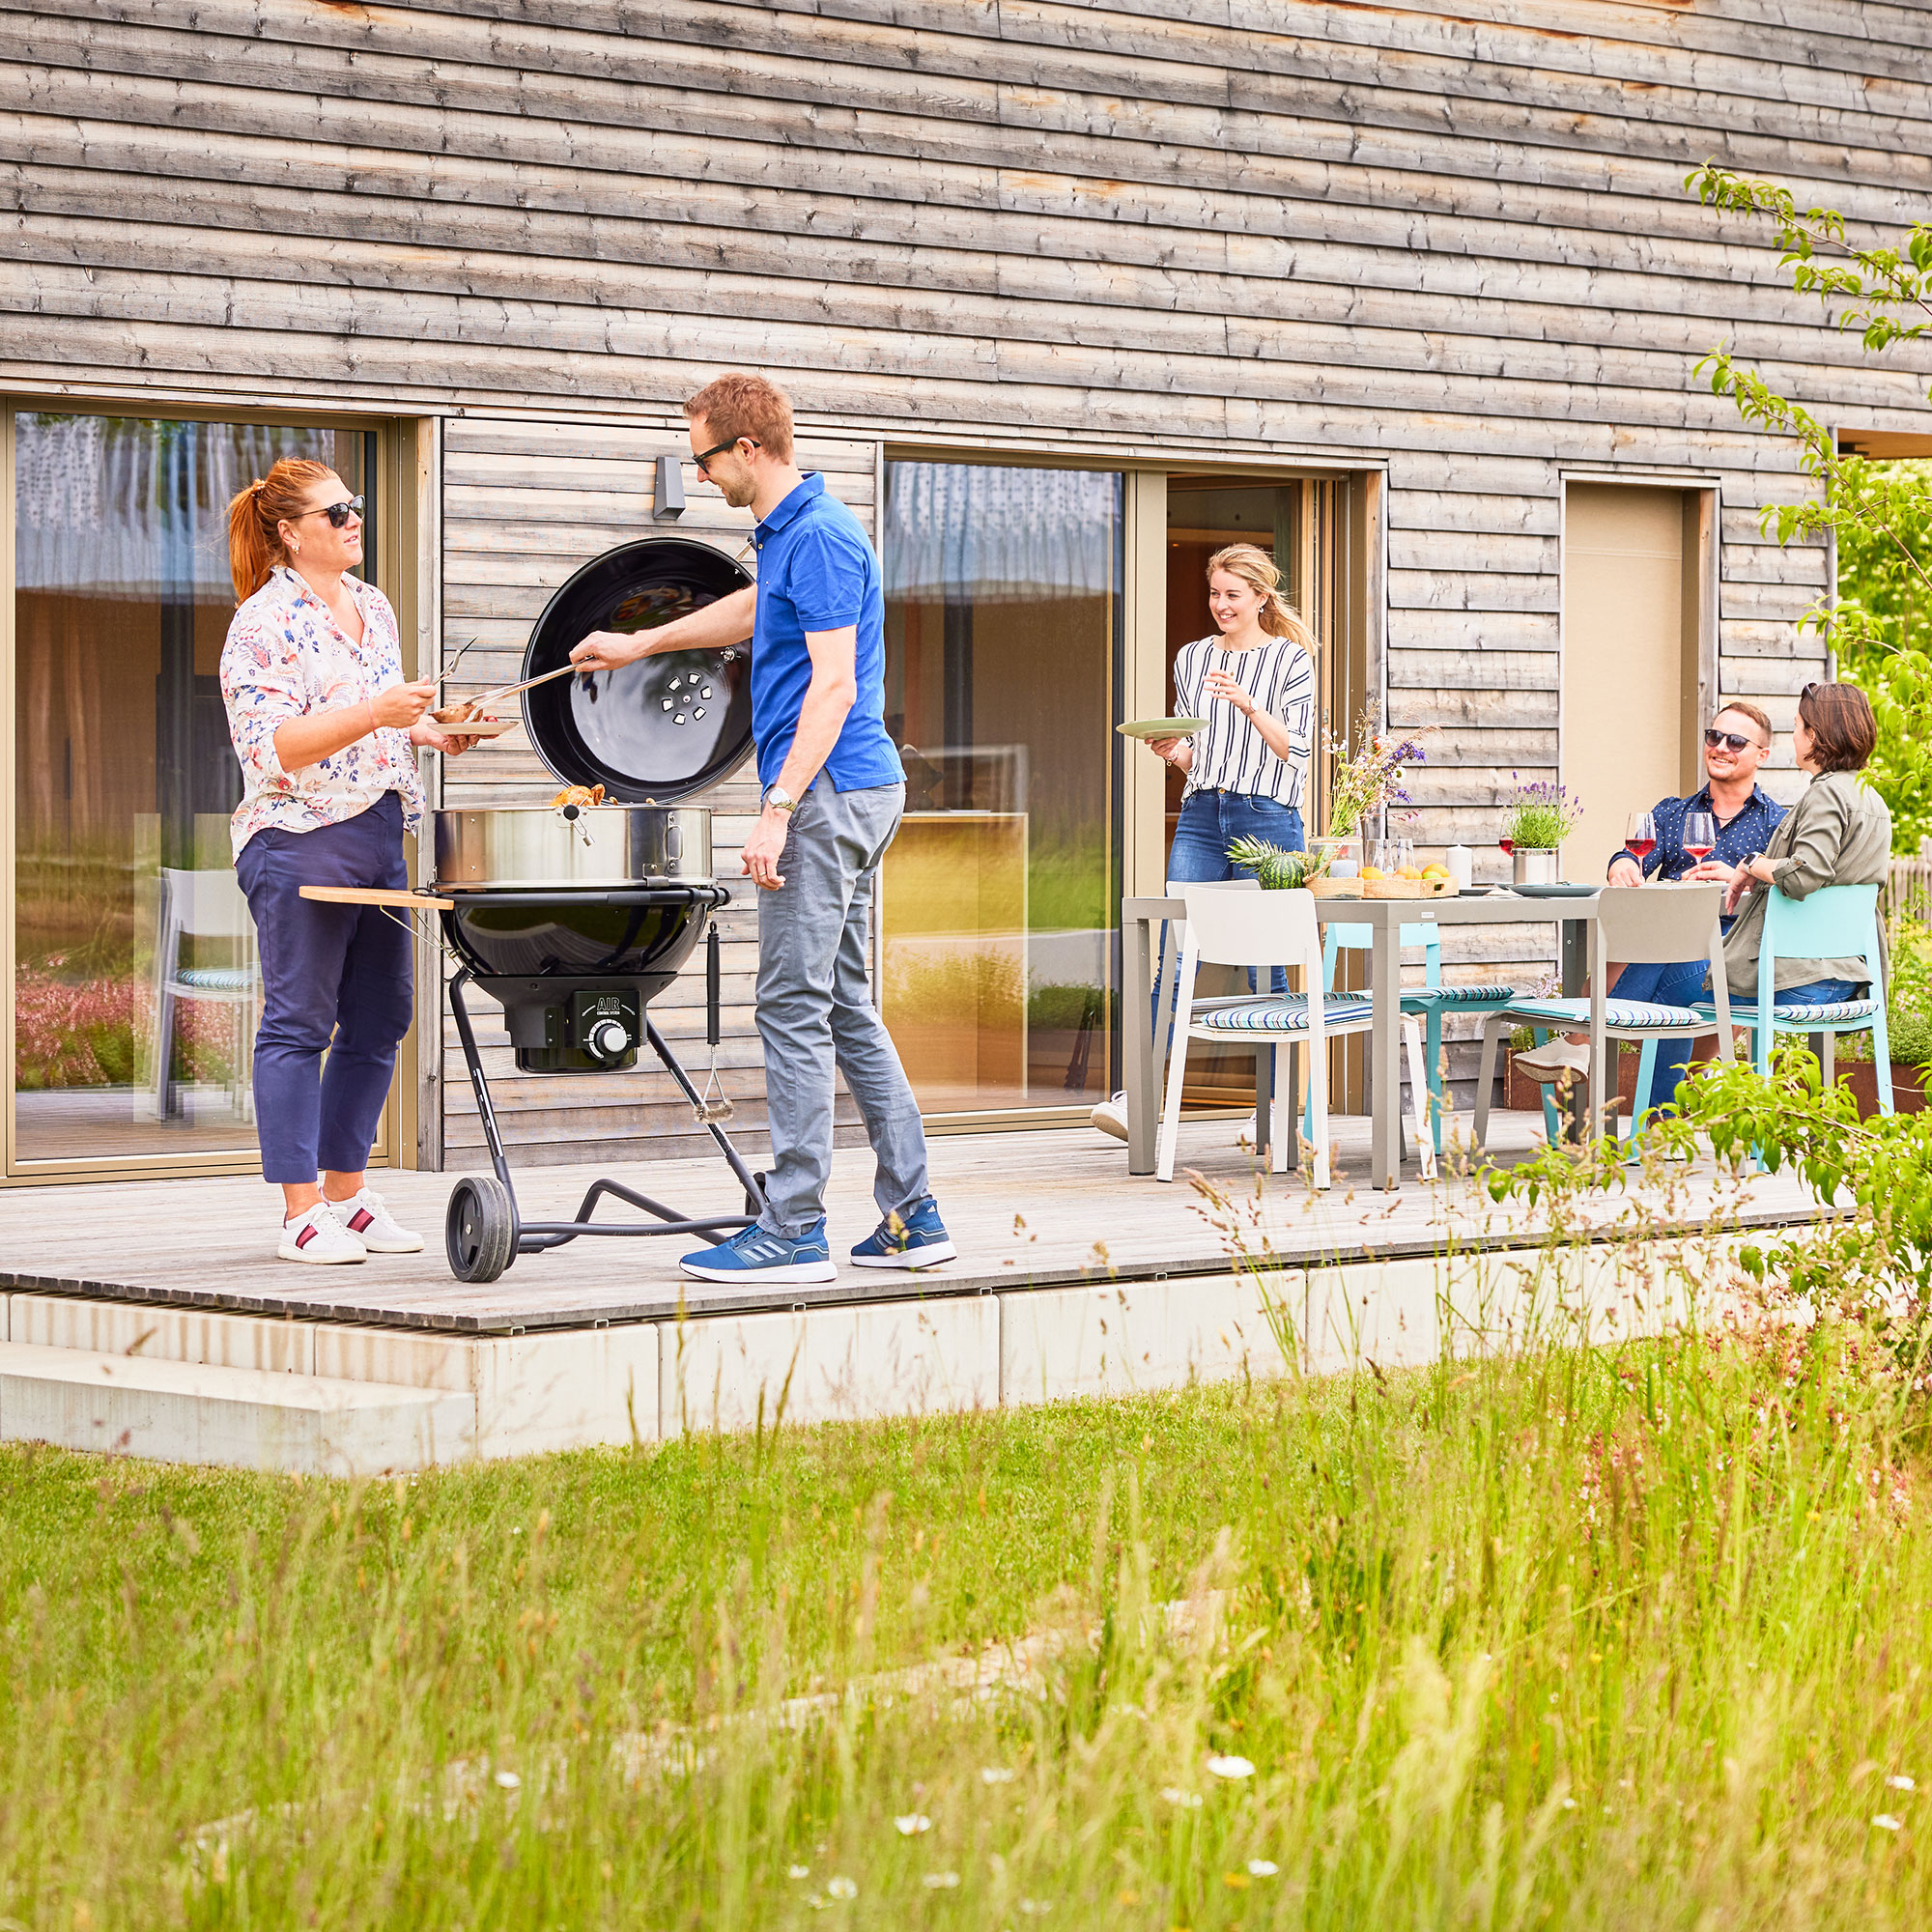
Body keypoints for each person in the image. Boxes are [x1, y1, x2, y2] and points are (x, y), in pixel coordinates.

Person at [569, 372, 952, 1285]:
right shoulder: (792, 533)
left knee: (788, 1005)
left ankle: (793, 1230)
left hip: (826, 795)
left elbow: (835, 686)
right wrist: (640, 642)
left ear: (747, 448)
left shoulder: (817, 536)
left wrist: (777, 809)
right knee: (843, 1004)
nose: (698, 474)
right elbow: (754, 610)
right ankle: (912, 1215)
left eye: (703, 456)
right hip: (853, 792)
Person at [221, 459, 484, 1264]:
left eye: (355, 506)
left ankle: (347, 1195)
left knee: (380, 1017)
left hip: (377, 829)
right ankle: (300, 1214)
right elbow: (271, 748)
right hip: (298, 837)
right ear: (290, 534)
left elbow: (376, 727)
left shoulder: (372, 605)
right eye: (337, 512)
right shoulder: (262, 624)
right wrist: (375, 708)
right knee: (300, 1022)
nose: (353, 520)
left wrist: (432, 729)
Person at [1090, 543, 1317, 1143]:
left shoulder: (1290, 661)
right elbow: (1197, 751)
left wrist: (1247, 701)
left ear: (1261, 598)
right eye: (1214, 594)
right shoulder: (1190, 658)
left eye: (1232, 595)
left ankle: (1274, 1109)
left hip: (1267, 815)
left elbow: (1295, 749)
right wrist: (1171, 752)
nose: (1220, 605)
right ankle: (1140, 1097)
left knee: (1264, 967)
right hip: (1201, 813)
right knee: (1175, 953)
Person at [1513, 700, 1786, 1107]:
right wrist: (1623, 864)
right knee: (1661, 948)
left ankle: (1577, 1040)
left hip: (1730, 956)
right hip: (1666, 948)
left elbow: (1783, 896)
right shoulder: (1673, 813)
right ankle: (1661, 1120)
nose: (1721, 747)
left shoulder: (1775, 823)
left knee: (1662, 955)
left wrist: (1738, 883)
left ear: (1762, 755)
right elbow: (1633, 854)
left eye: (1735, 741)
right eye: (1714, 737)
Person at [1719, 681, 1890, 1004]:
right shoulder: (1871, 795)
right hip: (1849, 975)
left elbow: (1803, 876)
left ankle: (1598, 1038)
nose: (1794, 737)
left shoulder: (1827, 793)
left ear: (1814, 735)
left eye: (1797, 727)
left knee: (1680, 971)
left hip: (1802, 980)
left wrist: (1752, 864)